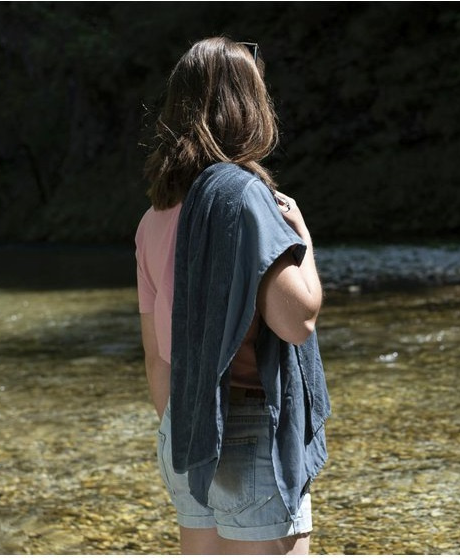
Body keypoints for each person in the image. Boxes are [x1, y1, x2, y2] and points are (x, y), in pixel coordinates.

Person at [135, 37, 330, 555]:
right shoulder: (246, 200)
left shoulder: (153, 218)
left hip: (184, 425)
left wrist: (183, 429)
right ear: (247, 107)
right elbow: (298, 320)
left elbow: (157, 356)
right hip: (245, 423)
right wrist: (303, 240)